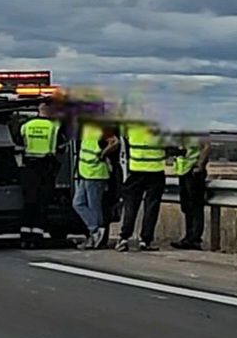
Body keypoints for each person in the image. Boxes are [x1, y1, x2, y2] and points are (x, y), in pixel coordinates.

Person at [117, 120, 168, 251]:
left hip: (136, 171)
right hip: (156, 171)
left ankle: (124, 237)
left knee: (131, 205)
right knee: (151, 208)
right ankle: (145, 240)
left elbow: (123, 138)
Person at [16, 100, 61, 243]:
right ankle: (37, 235)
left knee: (28, 201)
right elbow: (60, 147)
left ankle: (25, 235)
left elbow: (17, 146)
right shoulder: (54, 127)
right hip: (46, 167)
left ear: (38, 110)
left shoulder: (26, 126)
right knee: (42, 202)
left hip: (29, 166)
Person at [72, 119, 117, 248]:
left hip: (96, 174)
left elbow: (115, 142)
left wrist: (103, 154)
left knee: (94, 206)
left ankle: (96, 234)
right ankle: (96, 230)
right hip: (85, 173)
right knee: (78, 203)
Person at [169, 133, 212, 249]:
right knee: (187, 206)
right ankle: (188, 237)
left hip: (194, 171)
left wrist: (199, 165)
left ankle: (195, 238)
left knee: (195, 205)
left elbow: (206, 146)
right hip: (182, 170)